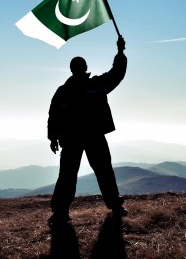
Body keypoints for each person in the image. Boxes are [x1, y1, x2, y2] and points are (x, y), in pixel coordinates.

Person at [47, 36, 127, 228]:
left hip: (77, 138)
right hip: (88, 136)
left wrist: (120, 53)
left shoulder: (66, 90)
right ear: (81, 68)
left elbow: (53, 116)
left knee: (77, 174)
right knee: (98, 172)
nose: (79, 69)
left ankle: (61, 212)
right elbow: (116, 74)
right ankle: (114, 206)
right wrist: (120, 52)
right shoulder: (90, 86)